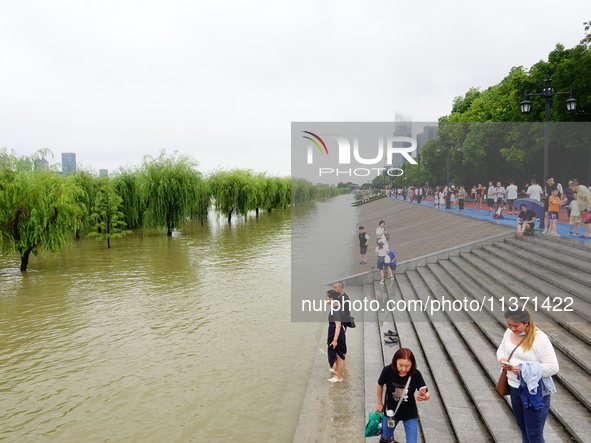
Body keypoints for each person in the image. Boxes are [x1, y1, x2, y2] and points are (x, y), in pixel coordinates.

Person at [496, 308, 558, 443]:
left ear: (527, 323)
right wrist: (502, 360)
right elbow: (501, 350)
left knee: (534, 434)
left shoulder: (539, 338)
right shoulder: (509, 332)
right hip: (514, 387)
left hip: (533, 391)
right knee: (523, 429)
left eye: (515, 325)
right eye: (509, 325)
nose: (512, 328)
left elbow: (553, 367)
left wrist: (524, 370)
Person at [376, 348, 431, 443]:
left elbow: (427, 392)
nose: (404, 369)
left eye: (407, 366)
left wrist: (425, 396)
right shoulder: (388, 371)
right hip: (391, 413)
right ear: (395, 362)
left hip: (410, 414)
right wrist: (380, 403)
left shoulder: (416, 375)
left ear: (412, 364)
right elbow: (379, 384)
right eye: (400, 365)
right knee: (385, 439)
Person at [325, 289, 347, 383]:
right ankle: (337, 370)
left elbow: (338, 325)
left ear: (331, 298)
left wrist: (335, 340)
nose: (325, 300)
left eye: (326, 298)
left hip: (337, 333)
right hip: (334, 331)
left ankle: (339, 377)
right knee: (337, 353)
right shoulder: (336, 304)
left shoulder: (336, 309)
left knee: (339, 355)